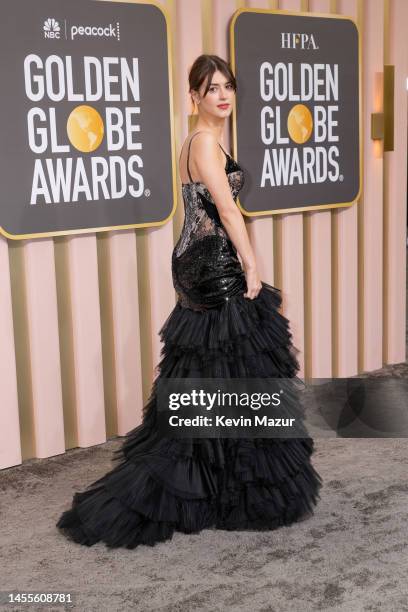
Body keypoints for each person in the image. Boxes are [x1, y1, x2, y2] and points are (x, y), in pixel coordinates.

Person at [56, 54, 323, 549]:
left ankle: (218, 479)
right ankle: (208, 482)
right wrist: (252, 266)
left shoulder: (209, 140)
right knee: (236, 360)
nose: (222, 95)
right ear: (193, 96)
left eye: (228, 86)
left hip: (201, 260)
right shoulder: (202, 142)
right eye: (211, 87)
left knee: (223, 368)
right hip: (212, 265)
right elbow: (225, 207)